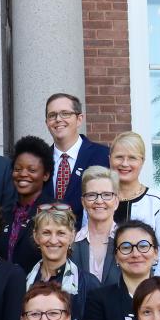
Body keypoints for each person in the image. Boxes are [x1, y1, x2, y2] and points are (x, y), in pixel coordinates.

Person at [108, 131, 160, 278]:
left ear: (142, 161)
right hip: (104, 290)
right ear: (110, 159)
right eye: (119, 157)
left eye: (132, 158)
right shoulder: (99, 201)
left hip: (147, 288)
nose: (125, 163)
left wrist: (157, 295)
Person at [40, 93, 111, 225]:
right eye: (52, 115)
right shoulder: (39, 162)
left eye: (65, 113)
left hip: (89, 241)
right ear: (47, 123)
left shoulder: (103, 156)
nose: (58, 119)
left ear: (79, 119)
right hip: (49, 241)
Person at [25, 208, 88, 320]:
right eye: (46, 233)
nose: (53, 240)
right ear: (36, 236)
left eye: (61, 233)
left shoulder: (88, 283)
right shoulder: (22, 281)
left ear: (72, 236)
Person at [5, 135, 54, 271]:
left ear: (46, 175)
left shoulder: (54, 212)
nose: (23, 174)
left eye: (31, 170)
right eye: (18, 169)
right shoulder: (5, 213)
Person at [72, 165, 119, 288]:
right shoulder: (71, 243)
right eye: (92, 195)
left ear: (116, 201)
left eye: (106, 194)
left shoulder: (128, 242)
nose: (99, 201)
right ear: (83, 202)